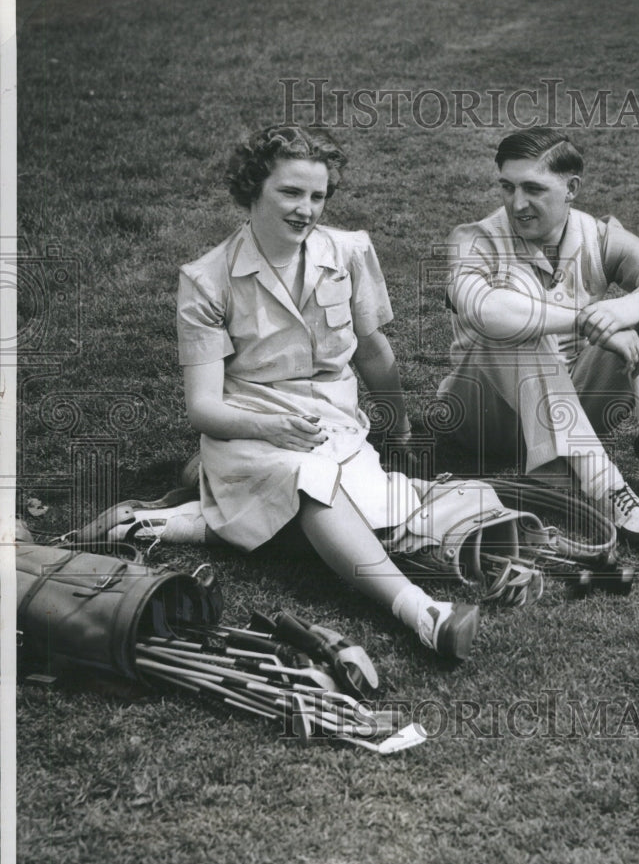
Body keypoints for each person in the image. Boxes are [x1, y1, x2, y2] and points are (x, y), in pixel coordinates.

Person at [114, 125, 478, 659]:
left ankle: (200, 521)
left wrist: (399, 426)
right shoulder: (206, 279)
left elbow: (373, 351)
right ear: (253, 189)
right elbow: (203, 407)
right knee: (311, 488)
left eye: (317, 196)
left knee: (378, 522)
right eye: (290, 192)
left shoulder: (350, 252)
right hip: (250, 432)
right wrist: (271, 426)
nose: (306, 209)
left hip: (335, 428)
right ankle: (419, 612)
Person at [437, 126, 639, 547]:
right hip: (484, 417)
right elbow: (486, 311)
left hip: (567, 413)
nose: (517, 203)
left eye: (533, 189)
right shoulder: (474, 238)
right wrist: (589, 318)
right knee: (516, 327)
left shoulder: (598, 235)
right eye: (507, 187)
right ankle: (605, 489)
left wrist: (631, 307)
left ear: (571, 189)